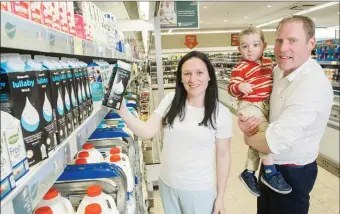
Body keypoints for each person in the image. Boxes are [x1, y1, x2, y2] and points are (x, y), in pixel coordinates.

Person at [237, 15, 333, 214]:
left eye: (292, 41)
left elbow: (271, 143)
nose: (283, 48)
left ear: (311, 43)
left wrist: (247, 136)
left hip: (293, 173)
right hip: (269, 167)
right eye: (279, 40)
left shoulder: (311, 86)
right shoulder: (278, 70)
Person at [117, 51, 232, 214]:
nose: (193, 79)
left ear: (209, 76)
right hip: (167, 184)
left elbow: (223, 156)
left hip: (198, 190)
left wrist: (220, 197)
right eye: (187, 74)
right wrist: (123, 111)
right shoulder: (171, 100)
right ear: (180, 77)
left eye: (199, 73)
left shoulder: (221, 113)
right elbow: (147, 131)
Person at [228, 26, 292, 197]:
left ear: (264, 46)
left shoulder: (269, 63)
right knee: (264, 135)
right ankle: (270, 171)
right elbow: (231, 87)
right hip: (249, 105)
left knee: (255, 141)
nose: (250, 50)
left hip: (264, 105)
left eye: (255, 45)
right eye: (245, 46)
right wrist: (240, 86)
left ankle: (249, 172)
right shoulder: (240, 67)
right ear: (239, 48)